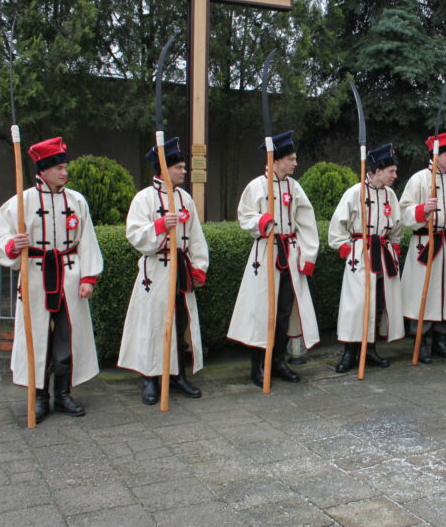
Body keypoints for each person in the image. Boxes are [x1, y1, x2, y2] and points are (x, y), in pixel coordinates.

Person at [0, 137, 103, 423]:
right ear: (43, 170)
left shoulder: (76, 201)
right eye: (59, 168)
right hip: (35, 277)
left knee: (67, 336)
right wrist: (15, 244)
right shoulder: (20, 202)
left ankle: (63, 394)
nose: (64, 172)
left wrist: (89, 276)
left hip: (69, 275)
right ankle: (39, 396)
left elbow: (87, 240)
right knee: (37, 337)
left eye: (65, 167)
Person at [118, 138, 208, 404]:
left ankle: (177, 375)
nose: (184, 171)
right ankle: (149, 378)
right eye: (179, 167)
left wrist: (199, 266)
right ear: (164, 169)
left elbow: (196, 236)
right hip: (155, 271)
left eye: (183, 167)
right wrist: (158, 226)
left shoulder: (185, 199)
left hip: (179, 270)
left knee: (180, 322)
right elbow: (134, 235)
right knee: (152, 324)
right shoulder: (143, 198)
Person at [227, 131, 320, 387]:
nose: (295, 163)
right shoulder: (256, 186)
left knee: (283, 311)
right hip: (264, 255)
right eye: (291, 158)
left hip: (288, 255)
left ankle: (278, 361)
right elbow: (244, 216)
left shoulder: (294, 187)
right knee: (261, 311)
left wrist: (307, 254)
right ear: (276, 159)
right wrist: (261, 221)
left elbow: (306, 222)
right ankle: (258, 365)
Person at [329, 144, 404, 372]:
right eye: (391, 171)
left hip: (383, 253)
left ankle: (370, 349)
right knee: (357, 304)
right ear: (377, 170)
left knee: (378, 302)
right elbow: (337, 227)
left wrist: (394, 247)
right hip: (360, 255)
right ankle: (350, 352)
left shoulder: (390, 194)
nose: (394, 175)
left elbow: (397, 227)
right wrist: (347, 249)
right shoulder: (354, 193)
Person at [398, 132, 446, 363]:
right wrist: (422, 210)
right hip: (425, 246)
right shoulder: (419, 180)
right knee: (424, 295)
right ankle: (422, 344)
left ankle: (441, 342)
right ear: (437, 155)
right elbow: (403, 212)